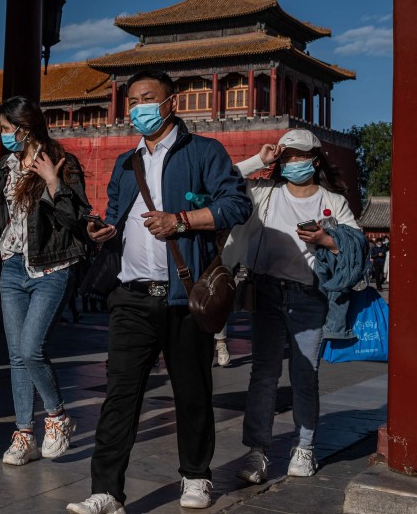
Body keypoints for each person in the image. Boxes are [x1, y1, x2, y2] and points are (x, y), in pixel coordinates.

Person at [67, 70, 251, 514]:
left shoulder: (204, 152)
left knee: (191, 392)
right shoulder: (124, 163)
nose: (138, 108)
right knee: (120, 395)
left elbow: (237, 204)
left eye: (147, 98)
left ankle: (196, 476)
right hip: (130, 295)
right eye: (132, 101)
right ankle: (107, 491)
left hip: (183, 295)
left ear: (171, 102)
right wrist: (102, 230)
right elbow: (115, 213)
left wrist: (182, 220)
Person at [224, 130, 366, 485]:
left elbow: (356, 249)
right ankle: (257, 451)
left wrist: (325, 240)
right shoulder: (262, 193)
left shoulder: (333, 201)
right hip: (267, 292)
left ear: (314, 160)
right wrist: (260, 160)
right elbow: (221, 181)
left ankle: (304, 447)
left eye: (299, 156)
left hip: (310, 296)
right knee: (264, 375)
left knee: (305, 375)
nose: (292, 163)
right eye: (286, 156)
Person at [0, 96, 92, 466]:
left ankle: (57, 417)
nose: (2, 135)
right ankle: (23, 433)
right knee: (17, 357)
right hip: (12, 267)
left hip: (52, 267)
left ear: (24, 127)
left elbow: (75, 218)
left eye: (5, 129)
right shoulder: (4, 167)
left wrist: (52, 180)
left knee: (32, 348)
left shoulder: (63, 161)